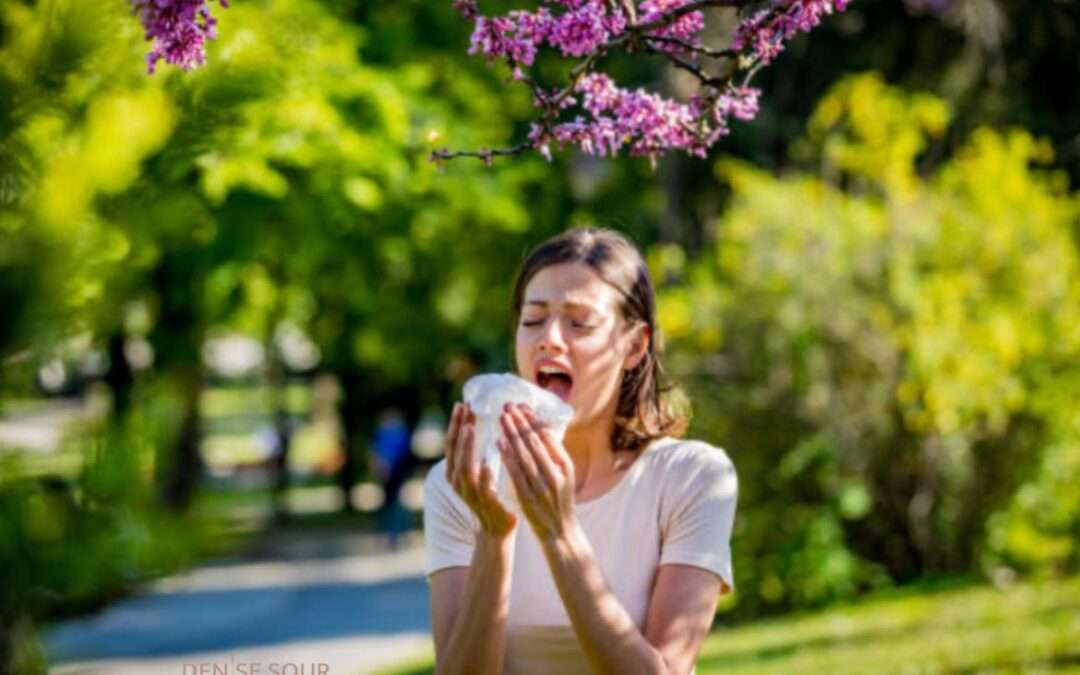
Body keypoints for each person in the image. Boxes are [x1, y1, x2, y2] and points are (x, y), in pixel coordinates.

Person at [423, 227, 738, 674]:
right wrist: (495, 535)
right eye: (532, 320)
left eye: (579, 322)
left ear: (634, 345)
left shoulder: (692, 478)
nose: (549, 338)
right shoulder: (461, 486)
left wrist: (559, 533)